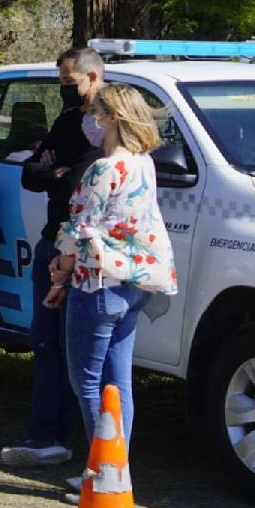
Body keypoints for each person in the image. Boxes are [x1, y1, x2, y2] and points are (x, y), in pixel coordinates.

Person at [43, 83, 177, 447]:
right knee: (118, 383)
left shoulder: (104, 168)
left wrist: (60, 274)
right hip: (133, 282)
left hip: (96, 284)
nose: (91, 121)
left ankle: (101, 464)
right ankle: (117, 466)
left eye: (95, 113)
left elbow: (80, 229)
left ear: (112, 118)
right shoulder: (144, 163)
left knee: (87, 382)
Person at [0, 47, 104, 467]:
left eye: (68, 82)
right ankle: (46, 436)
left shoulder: (112, 126)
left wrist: (62, 174)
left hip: (90, 254)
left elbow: (81, 182)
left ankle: (100, 455)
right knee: (45, 343)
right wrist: (56, 174)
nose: (64, 90)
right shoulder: (66, 120)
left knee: (86, 356)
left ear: (92, 77)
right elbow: (32, 174)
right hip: (53, 243)